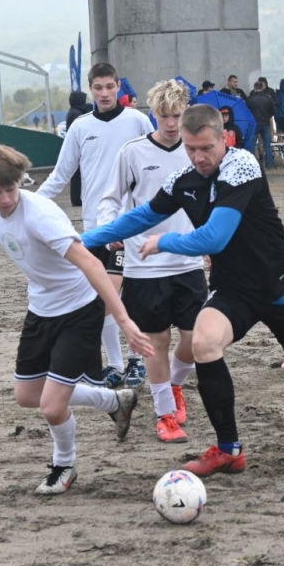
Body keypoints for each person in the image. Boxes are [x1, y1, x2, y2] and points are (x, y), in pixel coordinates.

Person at [82, 103, 284, 478]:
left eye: (206, 147)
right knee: (203, 343)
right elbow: (142, 215)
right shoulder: (184, 180)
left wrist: (165, 242)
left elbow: (215, 237)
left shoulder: (241, 166)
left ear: (224, 138)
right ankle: (229, 450)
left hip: (280, 288)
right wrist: (84, 240)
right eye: (191, 149)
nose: (198, 157)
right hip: (233, 290)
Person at [0, 144, 152, 495]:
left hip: (79, 310)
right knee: (27, 395)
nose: (5, 199)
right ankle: (115, 401)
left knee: (52, 407)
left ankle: (64, 466)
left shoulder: (41, 215)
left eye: (11, 189)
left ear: (20, 181)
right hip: (41, 308)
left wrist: (124, 320)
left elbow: (91, 263)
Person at [96, 79, 206, 443]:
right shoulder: (133, 152)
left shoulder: (196, 151)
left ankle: (174, 385)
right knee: (156, 341)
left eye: (177, 115)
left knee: (195, 339)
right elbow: (110, 198)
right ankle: (165, 415)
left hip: (188, 259)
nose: (171, 123)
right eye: (164, 115)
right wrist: (110, 230)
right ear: (152, 114)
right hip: (144, 264)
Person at [37, 62, 154, 387]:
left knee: (131, 296)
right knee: (100, 298)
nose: (104, 93)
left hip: (133, 225)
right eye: (98, 88)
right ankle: (115, 364)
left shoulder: (137, 121)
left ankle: (136, 360)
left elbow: (154, 163)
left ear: (118, 87)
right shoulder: (80, 127)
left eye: (109, 87)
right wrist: (29, 204)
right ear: (91, 90)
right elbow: (60, 175)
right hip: (94, 229)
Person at [63, 90, 93, 207]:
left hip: (77, 146)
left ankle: (76, 198)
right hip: (79, 146)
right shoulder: (77, 114)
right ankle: (76, 199)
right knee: (77, 175)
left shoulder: (74, 111)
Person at [246, 80, 276, 170]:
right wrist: (267, 117)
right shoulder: (268, 98)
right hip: (266, 124)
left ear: (254, 88)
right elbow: (273, 111)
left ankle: (252, 165)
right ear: (262, 87)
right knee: (267, 146)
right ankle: (270, 165)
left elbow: (246, 112)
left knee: (251, 145)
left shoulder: (250, 99)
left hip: (254, 125)